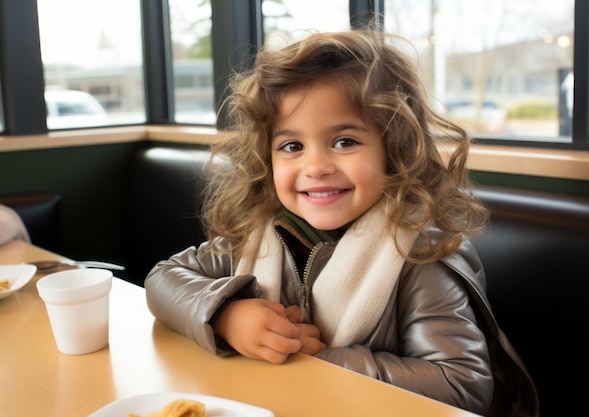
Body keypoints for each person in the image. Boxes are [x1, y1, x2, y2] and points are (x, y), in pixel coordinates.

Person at [145, 28, 539, 417]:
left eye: (344, 141)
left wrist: (317, 360)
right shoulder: (260, 234)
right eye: (292, 146)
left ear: (394, 148)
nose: (315, 166)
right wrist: (224, 315)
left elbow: (462, 386)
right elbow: (163, 278)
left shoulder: (420, 255)